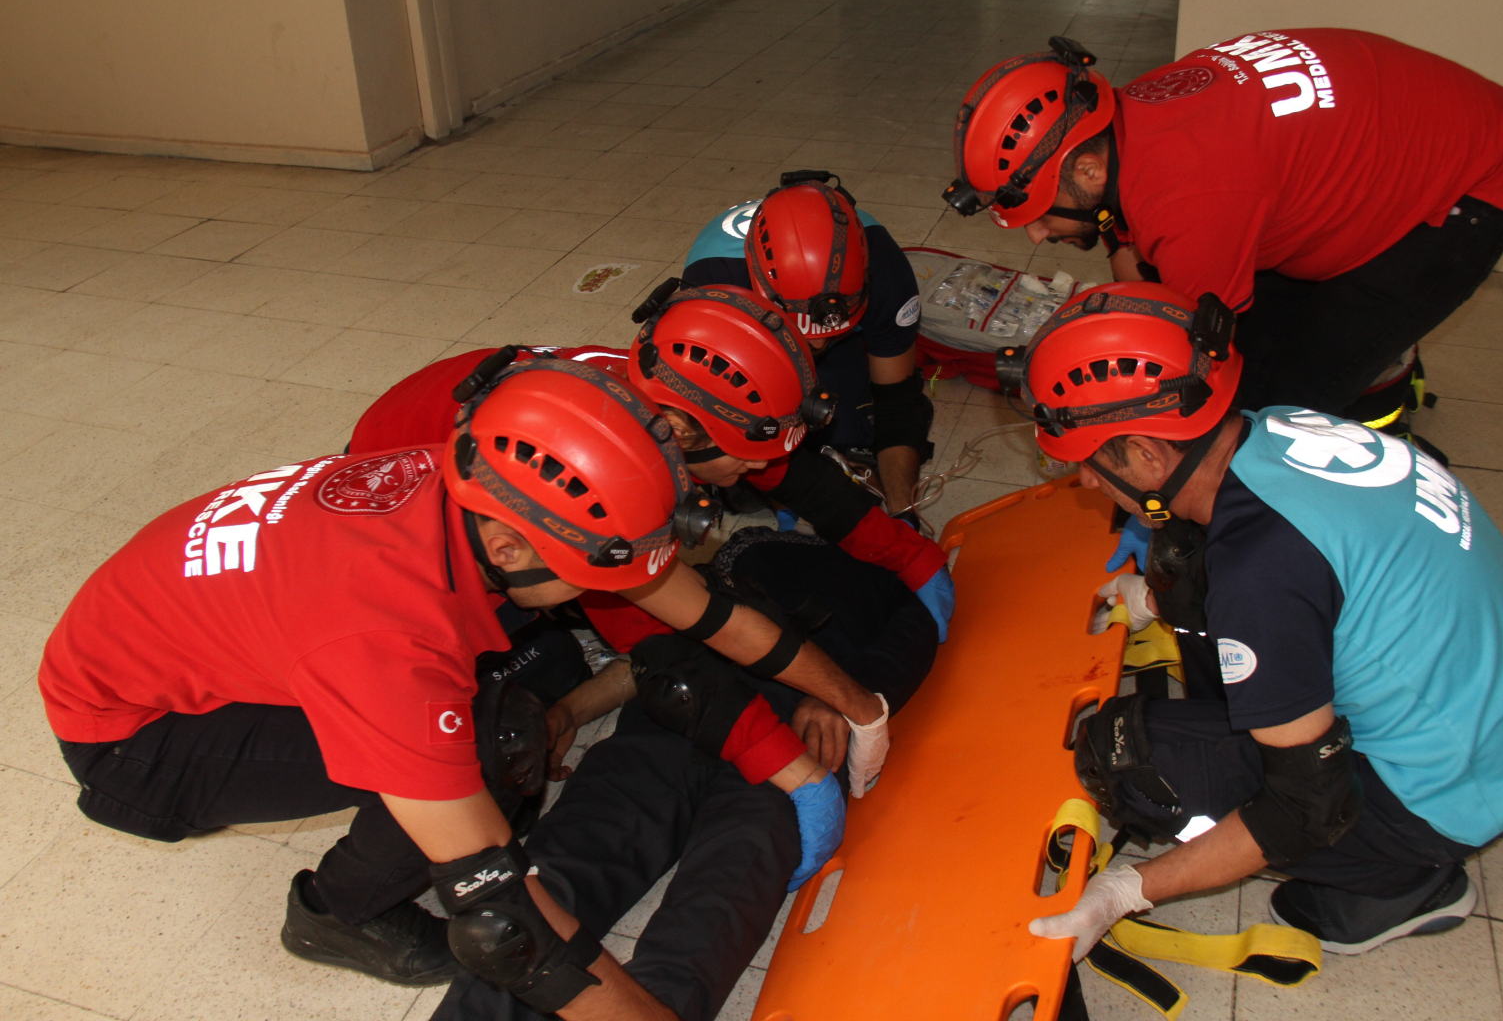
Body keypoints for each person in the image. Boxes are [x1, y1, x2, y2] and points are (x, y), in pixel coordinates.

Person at [39, 359, 888, 1019]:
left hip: (203, 637)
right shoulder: (389, 643)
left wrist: (860, 706)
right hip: (135, 735)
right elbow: (502, 921)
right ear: (515, 551)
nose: (619, 592)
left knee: (494, 717)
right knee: (488, 748)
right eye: (599, 573)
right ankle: (335, 914)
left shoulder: (478, 483)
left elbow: (699, 609)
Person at [1002, 281, 1503, 955]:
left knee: (1127, 757)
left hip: (1451, 793)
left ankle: (1402, 887)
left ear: (1149, 454)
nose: (1088, 483)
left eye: (1091, 464)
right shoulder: (1278, 428)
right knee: (1186, 564)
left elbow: (1306, 804)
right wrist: (1160, 602)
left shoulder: (1262, 570)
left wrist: (1128, 891)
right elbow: (1311, 572)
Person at [432, 526, 938, 1021]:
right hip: (678, 719)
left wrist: (839, 698)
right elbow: (654, 652)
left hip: (787, 741)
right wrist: (571, 712)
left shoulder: (889, 581)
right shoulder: (749, 546)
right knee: (567, 866)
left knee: (718, 899)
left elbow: (912, 643)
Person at [945, 31, 1503, 436]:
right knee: (1266, 323)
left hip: (1469, 184)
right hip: (1410, 132)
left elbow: (1192, 372)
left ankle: (1383, 362)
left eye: (1042, 211)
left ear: (1089, 170)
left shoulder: (1193, 202)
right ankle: (1372, 350)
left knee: (1271, 411)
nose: (1037, 236)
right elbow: (1139, 263)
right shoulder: (1131, 116)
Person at [347, 284, 955, 643]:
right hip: (407, 477)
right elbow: (633, 607)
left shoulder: (683, 403)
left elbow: (806, 484)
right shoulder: (614, 461)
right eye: (745, 465)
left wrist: (912, 556)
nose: (757, 477)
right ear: (685, 434)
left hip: (480, 423)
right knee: (507, 614)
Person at [682, 171, 935, 521]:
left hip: (846, 343)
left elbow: (898, 402)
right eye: (804, 331)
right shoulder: (714, 289)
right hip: (750, 342)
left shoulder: (887, 270)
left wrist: (903, 511)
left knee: (856, 440)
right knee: (739, 474)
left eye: (828, 328)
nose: (816, 342)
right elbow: (710, 417)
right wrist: (799, 494)